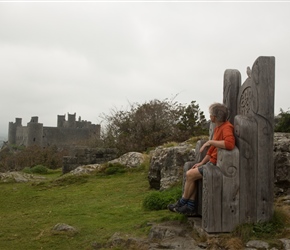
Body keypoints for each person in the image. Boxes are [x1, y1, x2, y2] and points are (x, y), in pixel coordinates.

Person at [168, 103, 235, 216]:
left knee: (190, 174)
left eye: (211, 114)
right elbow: (211, 151)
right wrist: (201, 163)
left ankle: (182, 203)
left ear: (215, 117)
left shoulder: (226, 127)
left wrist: (210, 142)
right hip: (212, 163)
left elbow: (230, 144)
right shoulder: (218, 128)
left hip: (218, 166)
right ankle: (189, 207)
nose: (209, 116)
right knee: (192, 174)